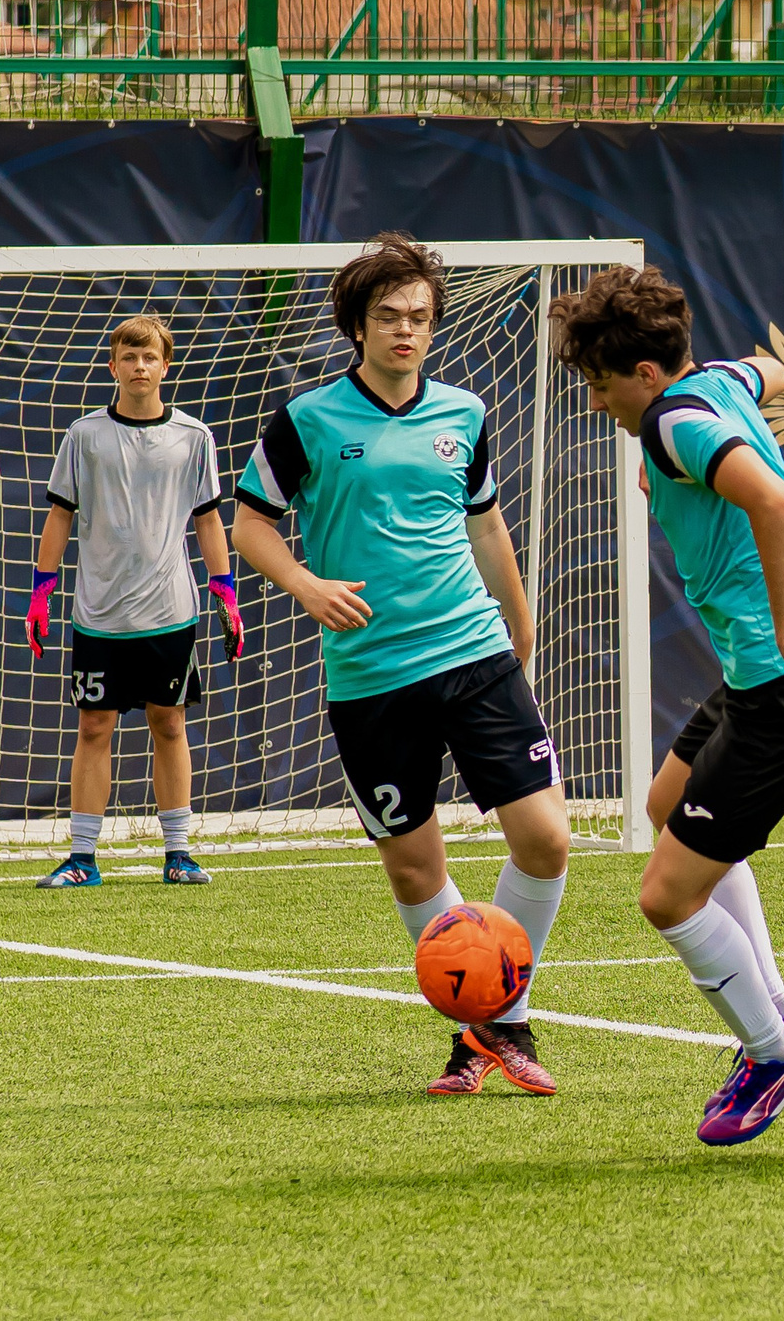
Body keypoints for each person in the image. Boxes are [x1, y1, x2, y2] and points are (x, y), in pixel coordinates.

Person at [232, 232, 567, 1098]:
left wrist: (519, 622)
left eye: (419, 316)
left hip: (472, 652)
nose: (406, 330)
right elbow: (250, 524)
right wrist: (306, 584)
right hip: (370, 677)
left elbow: (486, 524)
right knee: (414, 868)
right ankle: (478, 1034)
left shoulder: (464, 412)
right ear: (357, 324)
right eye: (388, 316)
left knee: (547, 840)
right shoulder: (308, 419)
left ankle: (504, 1018)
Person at [549, 265, 784, 1147]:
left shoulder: (673, 418)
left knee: (665, 895)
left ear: (646, 375)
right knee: (661, 809)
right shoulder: (711, 387)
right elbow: (777, 370)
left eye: (601, 383)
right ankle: (782, 1008)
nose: (598, 400)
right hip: (758, 671)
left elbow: (769, 498)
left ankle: (772, 1053)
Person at [26, 311, 242, 890]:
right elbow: (59, 514)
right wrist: (42, 590)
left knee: (168, 724)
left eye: (150, 357)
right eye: (129, 356)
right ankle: (82, 858)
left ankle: (178, 852)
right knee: (94, 726)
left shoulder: (194, 437)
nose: (139, 366)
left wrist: (226, 592)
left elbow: (208, 520)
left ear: (166, 365)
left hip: (170, 611)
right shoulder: (85, 435)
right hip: (98, 612)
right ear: (113, 364)